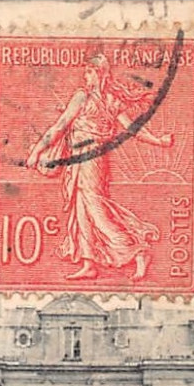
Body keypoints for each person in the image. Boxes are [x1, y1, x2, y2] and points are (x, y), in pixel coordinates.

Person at [25, 54, 174, 282]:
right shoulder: (99, 98)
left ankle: (136, 251)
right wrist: (36, 150)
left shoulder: (90, 98)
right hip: (80, 158)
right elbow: (62, 126)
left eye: (90, 72)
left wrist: (158, 141)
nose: (86, 76)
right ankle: (89, 264)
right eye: (86, 72)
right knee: (81, 209)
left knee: (95, 207)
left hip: (90, 158)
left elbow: (131, 128)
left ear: (100, 73)